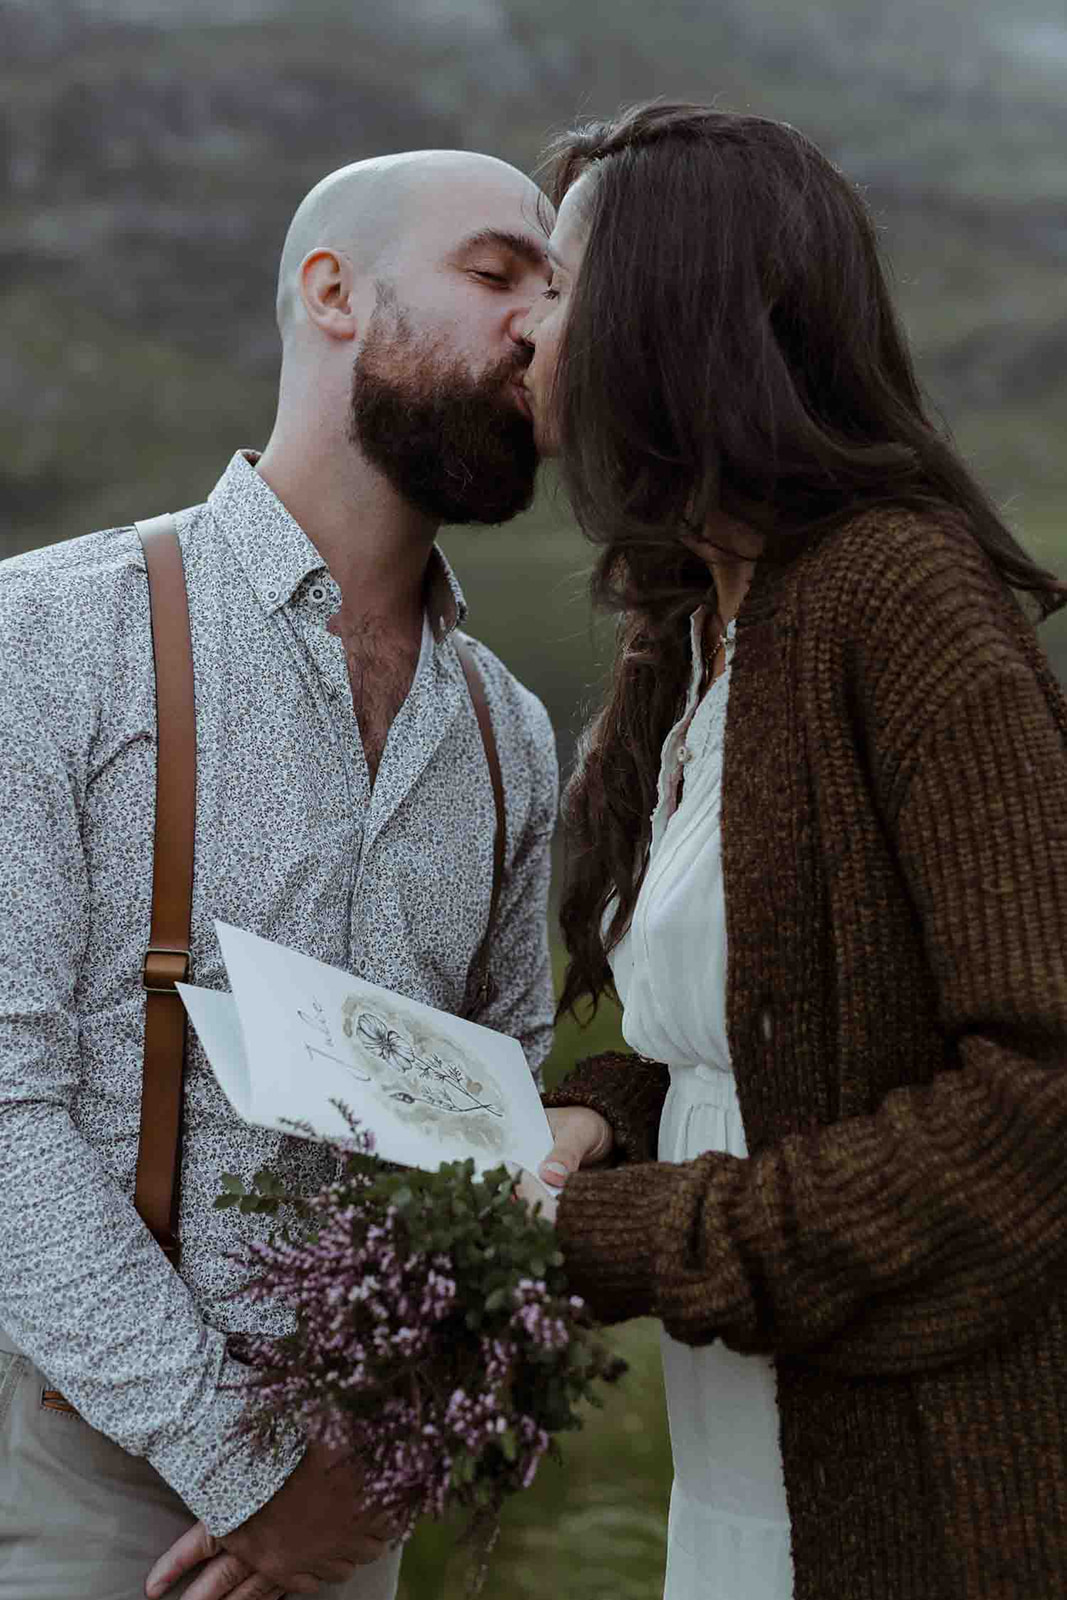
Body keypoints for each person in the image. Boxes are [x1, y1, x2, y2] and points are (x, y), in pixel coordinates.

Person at [518, 102, 1067, 1600]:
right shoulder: (691, 632)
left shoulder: (903, 603)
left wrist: (635, 1232)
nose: (523, 334)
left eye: (556, 288)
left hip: (922, 1491)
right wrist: (606, 1119)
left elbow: (1038, 1100)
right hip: (741, 1473)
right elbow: (753, 1035)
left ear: (664, 308)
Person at [0, 149, 557, 1600]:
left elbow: (504, 1132)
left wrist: (376, 1453)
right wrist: (241, 1460)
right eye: (497, 276)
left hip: (355, 1507)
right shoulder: (45, 638)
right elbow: (2, 1105)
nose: (541, 330)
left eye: (558, 299)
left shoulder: (510, 732)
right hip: (77, 1487)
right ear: (331, 293)